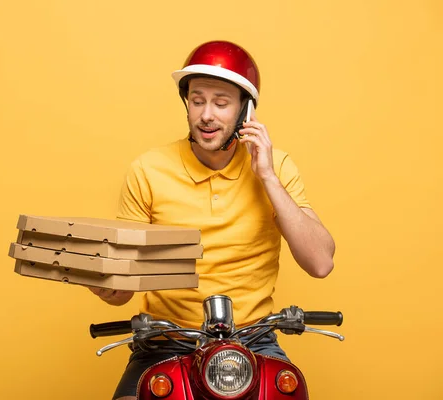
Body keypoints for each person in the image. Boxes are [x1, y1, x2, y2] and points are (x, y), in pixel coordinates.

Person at [88, 40, 336, 400]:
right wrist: (103, 282)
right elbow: (122, 290)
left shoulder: (277, 167)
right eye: (197, 100)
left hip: (254, 341)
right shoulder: (148, 169)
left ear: (245, 111)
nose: (206, 114)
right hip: (166, 341)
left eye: (221, 103)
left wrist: (266, 175)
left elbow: (320, 262)